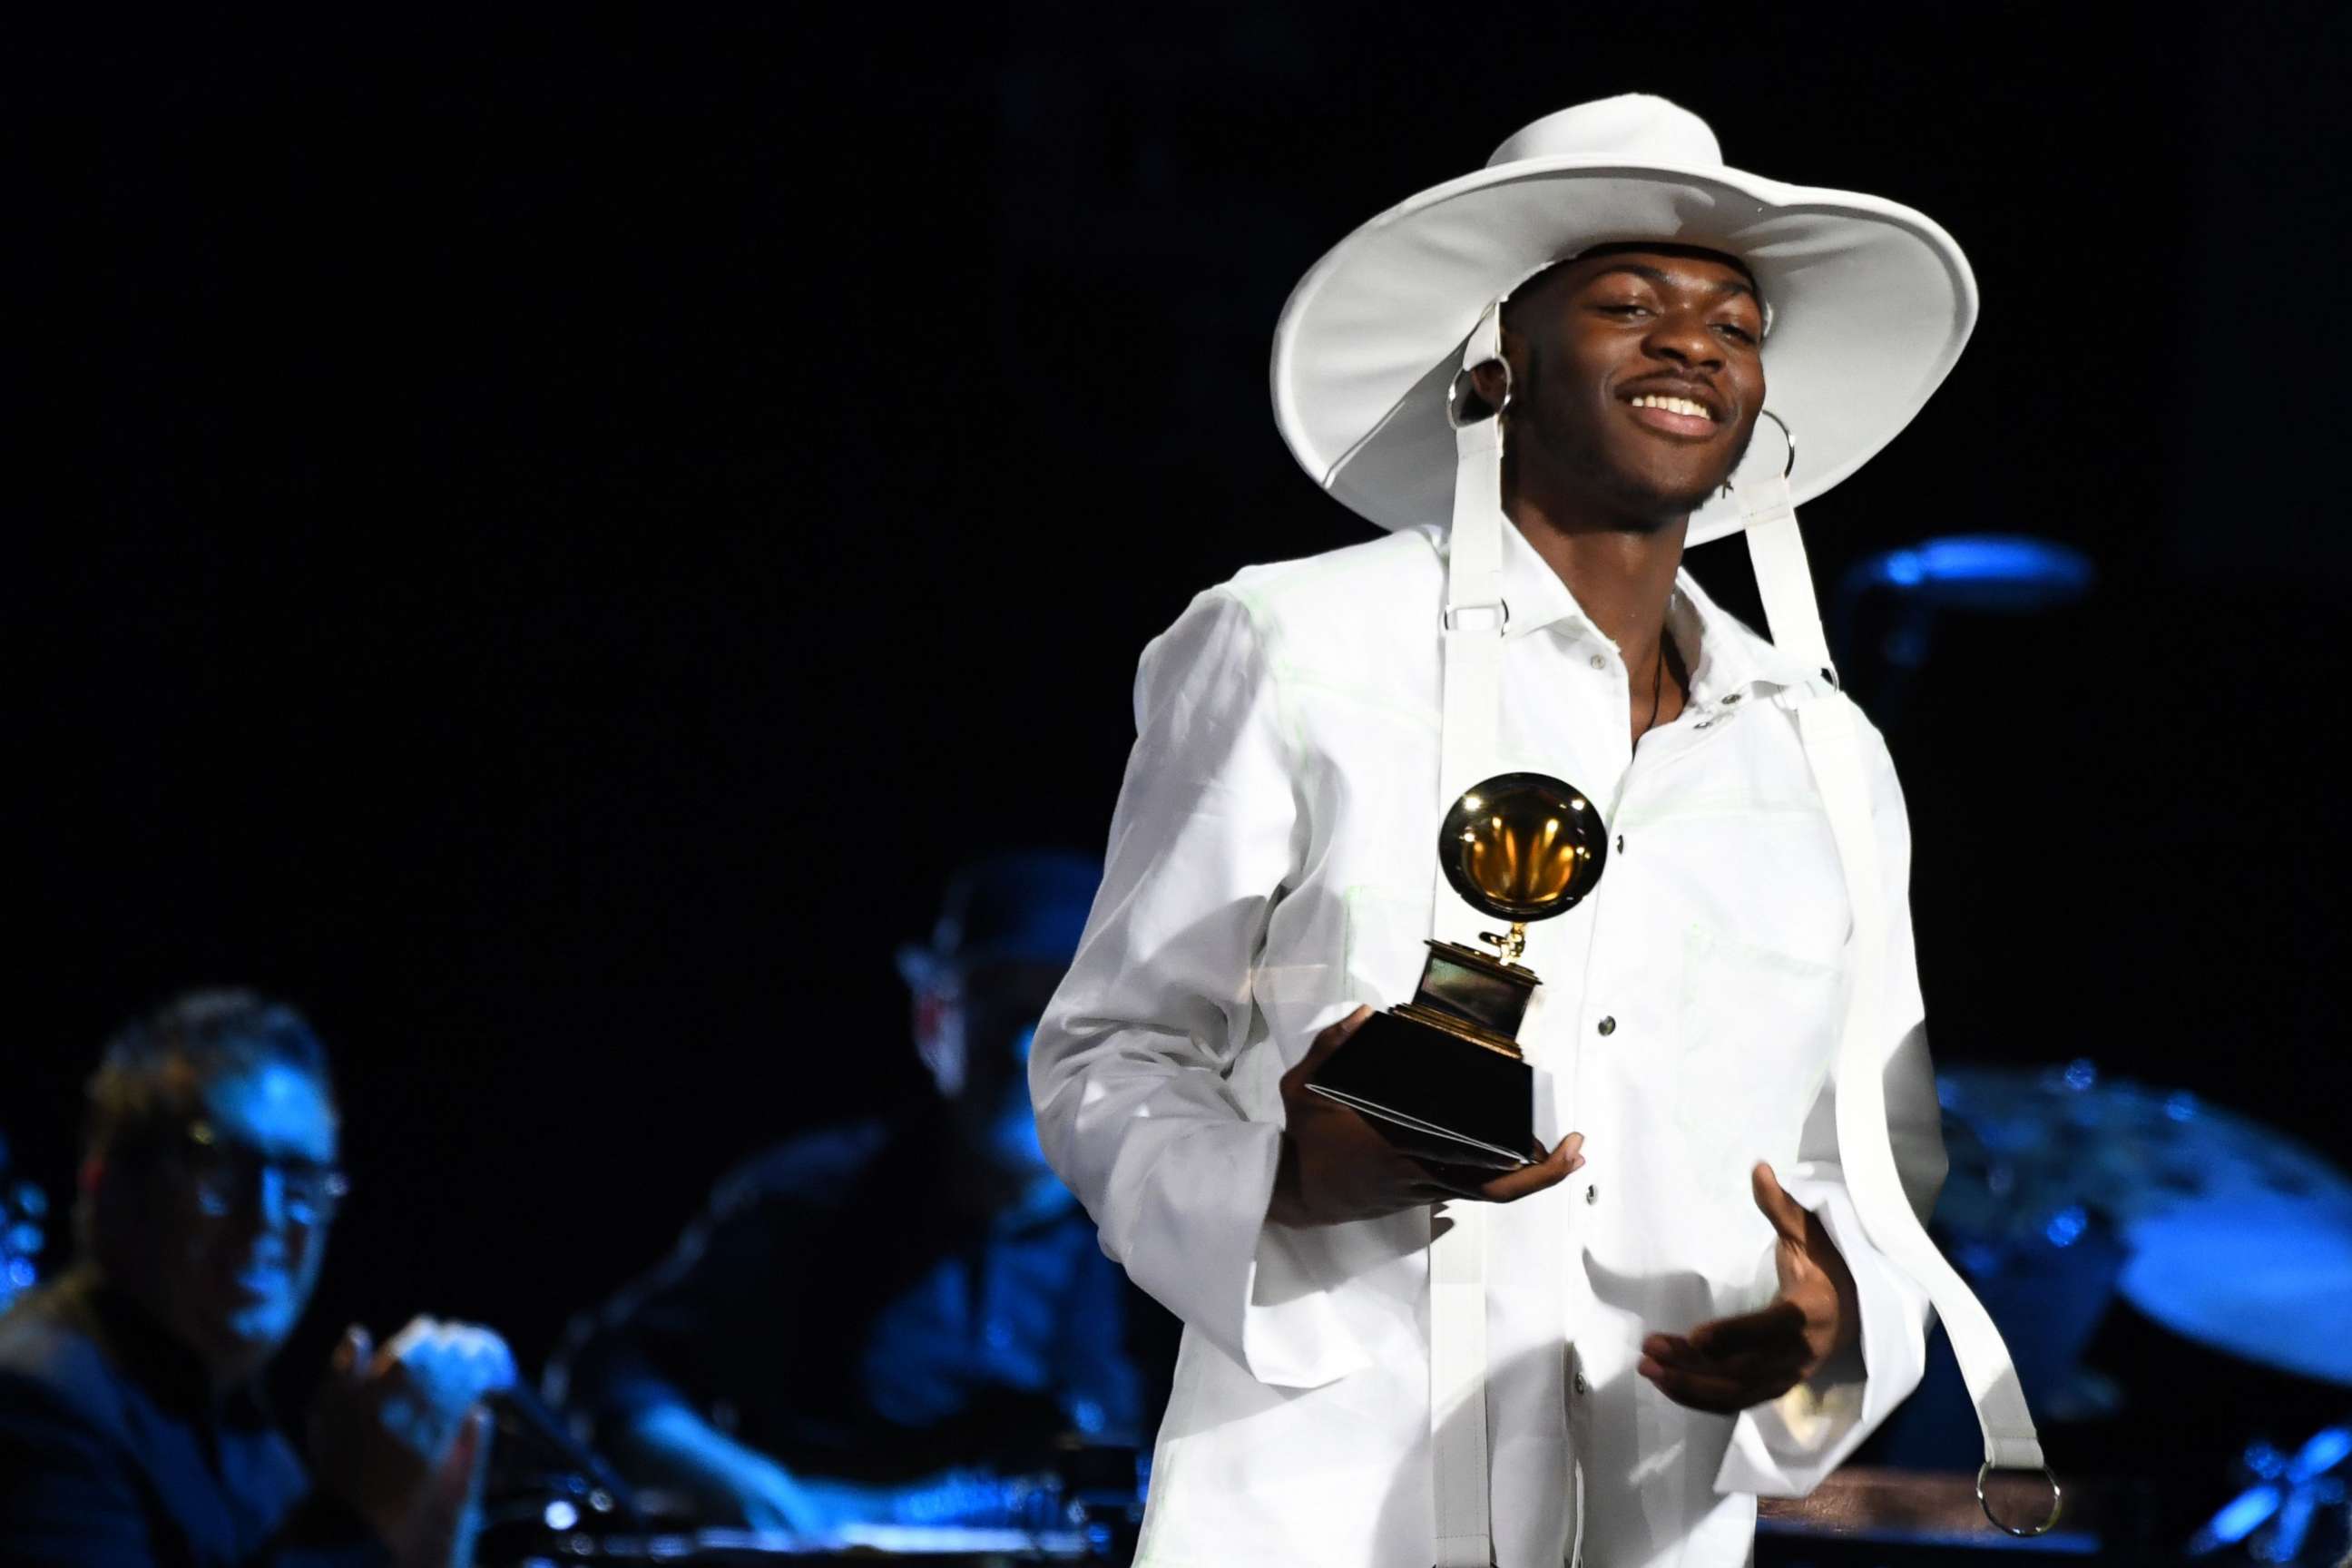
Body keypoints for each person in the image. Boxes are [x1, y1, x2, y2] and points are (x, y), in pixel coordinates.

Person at [1031, 95, 2008, 1568]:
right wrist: (1292, 1177)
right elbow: (1112, 1051)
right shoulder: (1295, 644)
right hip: (1313, 1506)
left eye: (1735, 324)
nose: (1693, 343)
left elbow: (1871, 1152)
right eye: (1627, 303)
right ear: (1500, 364)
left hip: (1659, 1513)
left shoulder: (1821, 748)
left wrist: (1828, 1317)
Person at [550, 849, 1155, 1537]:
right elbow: (613, 1369)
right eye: (994, 1006)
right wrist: (744, 1486)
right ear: (933, 1022)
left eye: (1059, 1014)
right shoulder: (811, 1199)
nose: (1023, 1050)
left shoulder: (1166, 1229)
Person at [0, 990, 519, 1568]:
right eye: (218, 1169)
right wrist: (355, 1521)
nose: (267, 1220)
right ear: (107, 1185)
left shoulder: (258, 1449)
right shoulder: (37, 1404)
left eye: (301, 1184)